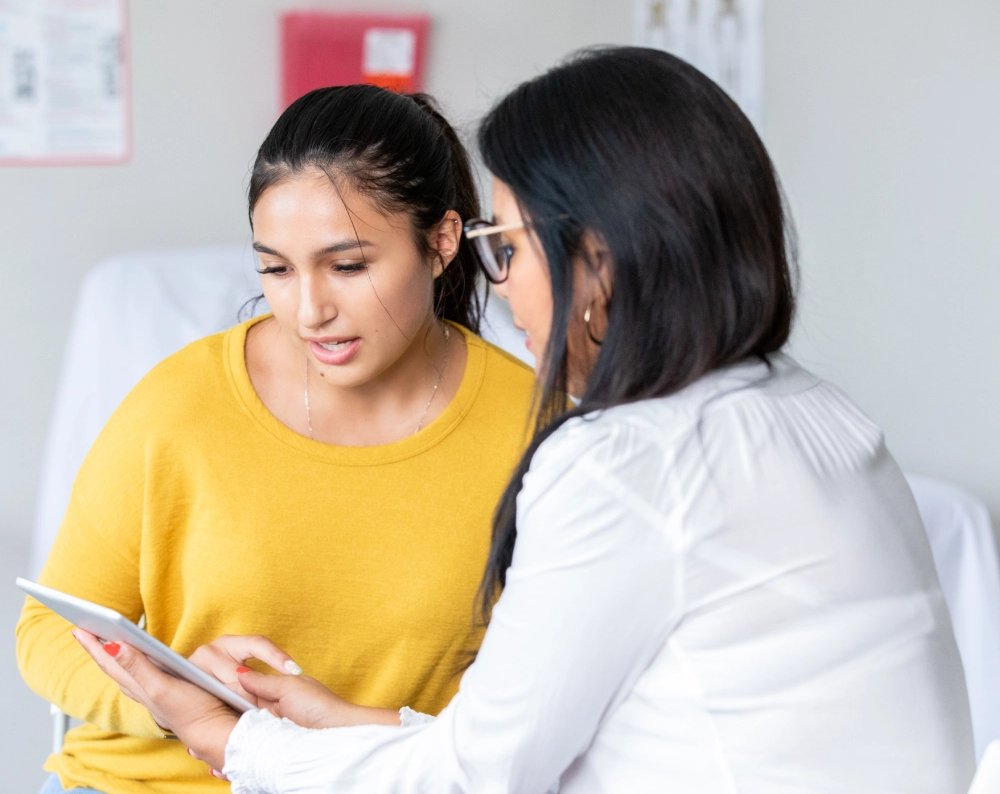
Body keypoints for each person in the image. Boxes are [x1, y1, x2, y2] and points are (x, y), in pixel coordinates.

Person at [76, 47, 976, 793]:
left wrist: (222, 737)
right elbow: (533, 739)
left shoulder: (624, 462)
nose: (501, 292)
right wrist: (342, 719)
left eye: (504, 247)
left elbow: (478, 780)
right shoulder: (824, 418)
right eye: (277, 269)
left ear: (598, 259)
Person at [18, 84, 537, 794]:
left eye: (348, 266)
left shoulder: (536, 432)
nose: (309, 311)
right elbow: (47, 633)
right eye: (276, 270)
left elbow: (534, 712)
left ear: (442, 242)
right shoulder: (182, 403)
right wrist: (176, 702)